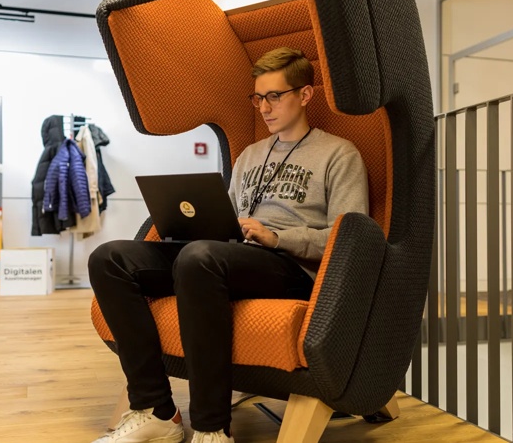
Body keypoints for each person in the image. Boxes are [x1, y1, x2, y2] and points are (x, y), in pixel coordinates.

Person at [89, 47, 369, 443]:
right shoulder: (249, 157)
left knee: (201, 258)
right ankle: (157, 411)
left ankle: (210, 427)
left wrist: (277, 237)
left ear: (305, 95)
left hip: (289, 268)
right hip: (227, 257)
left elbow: (349, 242)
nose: (264, 108)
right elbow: (227, 222)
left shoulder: (339, 154)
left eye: (275, 96)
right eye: (258, 98)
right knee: (111, 258)